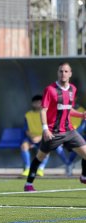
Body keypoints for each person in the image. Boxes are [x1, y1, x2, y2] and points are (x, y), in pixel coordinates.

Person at [24, 62, 86, 192]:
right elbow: (43, 110)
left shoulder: (72, 89)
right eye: (60, 71)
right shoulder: (50, 89)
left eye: (65, 71)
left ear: (70, 73)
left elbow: (68, 110)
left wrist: (81, 115)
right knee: (40, 157)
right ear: (58, 73)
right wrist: (45, 129)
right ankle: (29, 183)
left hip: (69, 130)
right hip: (53, 132)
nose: (63, 74)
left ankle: (84, 176)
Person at [21, 95, 50, 177]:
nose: (38, 104)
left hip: (43, 137)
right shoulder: (28, 115)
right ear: (32, 104)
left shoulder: (46, 113)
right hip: (31, 138)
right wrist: (32, 138)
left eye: (39, 102)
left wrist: (40, 137)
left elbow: (50, 128)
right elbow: (26, 129)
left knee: (47, 147)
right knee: (24, 146)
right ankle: (27, 169)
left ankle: (41, 169)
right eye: (35, 103)